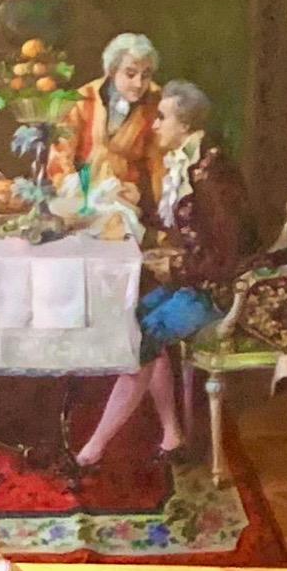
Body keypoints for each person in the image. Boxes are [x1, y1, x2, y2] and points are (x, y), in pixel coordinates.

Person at [75, 79, 253, 471]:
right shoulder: (186, 164)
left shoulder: (212, 174)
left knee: (143, 340)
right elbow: (186, 230)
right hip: (192, 280)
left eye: (163, 118)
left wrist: (173, 265)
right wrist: (146, 223)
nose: (154, 126)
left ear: (186, 125)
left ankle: (94, 449)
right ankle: (172, 434)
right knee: (134, 323)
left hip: (219, 290)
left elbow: (228, 254)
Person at [51, 31, 163, 228]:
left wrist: (143, 195)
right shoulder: (82, 99)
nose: (138, 84)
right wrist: (72, 186)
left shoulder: (156, 105)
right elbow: (60, 154)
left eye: (145, 76)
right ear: (112, 71)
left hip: (126, 199)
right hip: (81, 194)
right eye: (130, 74)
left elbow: (159, 165)